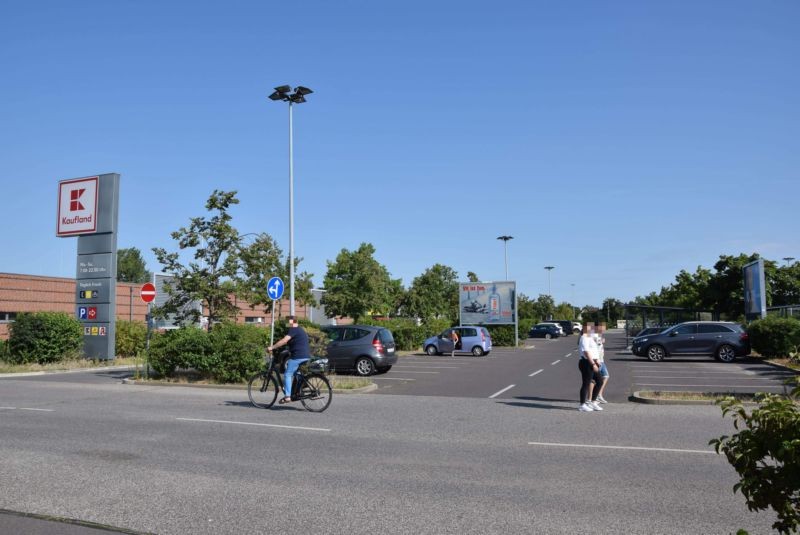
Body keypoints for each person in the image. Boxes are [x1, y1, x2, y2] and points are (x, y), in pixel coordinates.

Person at [267, 315, 311, 404]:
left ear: (291, 322)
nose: (287, 324)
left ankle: (287, 396)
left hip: (298, 356)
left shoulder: (293, 329)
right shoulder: (300, 329)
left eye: (288, 322)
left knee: (287, 374)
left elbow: (284, 340)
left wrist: (272, 347)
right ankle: (300, 387)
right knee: (295, 372)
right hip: (305, 355)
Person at [578, 323, 604, 412]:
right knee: (586, 383)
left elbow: (593, 350)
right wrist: (593, 364)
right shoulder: (584, 337)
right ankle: (582, 405)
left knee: (600, 381)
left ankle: (592, 402)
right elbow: (586, 352)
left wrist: (597, 361)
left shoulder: (590, 337)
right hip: (586, 363)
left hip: (592, 362)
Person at [594, 323, 610, 403]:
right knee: (595, 380)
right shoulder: (594, 336)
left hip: (601, 360)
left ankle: (599, 394)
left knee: (606, 376)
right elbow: (593, 347)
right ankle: (594, 397)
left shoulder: (599, 336)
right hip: (597, 361)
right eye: (602, 328)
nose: (604, 329)